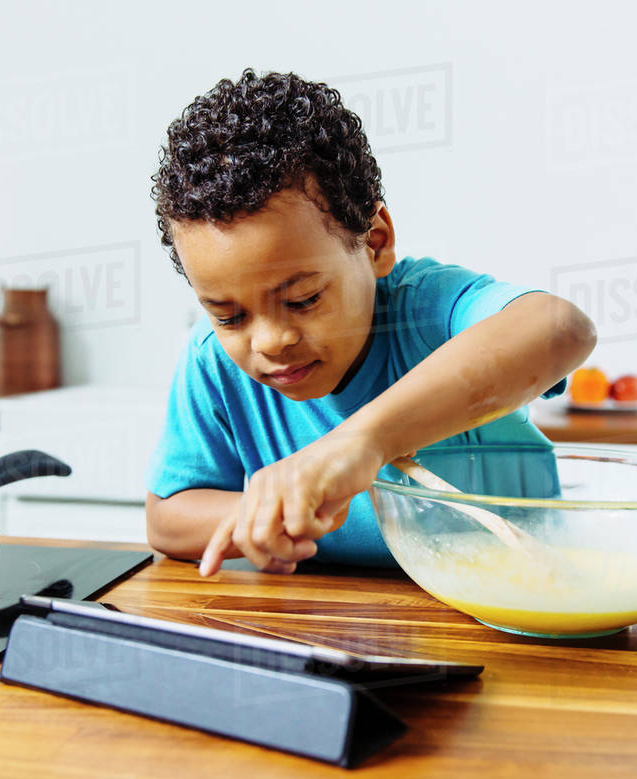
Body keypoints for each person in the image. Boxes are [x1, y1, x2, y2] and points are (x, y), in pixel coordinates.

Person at [145, 69, 596, 576]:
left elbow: (561, 328)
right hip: (343, 625)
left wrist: (361, 442)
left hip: (525, 595)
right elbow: (166, 519)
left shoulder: (428, 309)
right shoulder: (212, 362)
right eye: (229, 316)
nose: (271, 341)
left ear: (375, 242)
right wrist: (263, 513)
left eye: (304, 298)